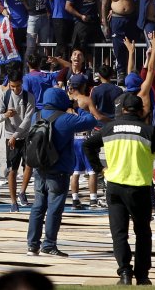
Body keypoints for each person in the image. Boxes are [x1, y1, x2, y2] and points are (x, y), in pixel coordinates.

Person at [83, 92, 155, 286]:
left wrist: (100, 169)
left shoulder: (109, 128)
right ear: (141, 111)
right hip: (139, 187)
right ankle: (142, 276)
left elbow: (88, 145)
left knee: (119, 233)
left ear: (122, 109)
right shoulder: (149, 130)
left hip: (114, 186)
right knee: (142, 233)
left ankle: (124, 273)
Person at [26, 87, 100, 257]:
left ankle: (32, 245)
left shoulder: (35, 116)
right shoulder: (66, 119)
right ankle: (49, 244)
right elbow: (91, 121)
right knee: (54, 208)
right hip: (59, 169)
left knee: (38, 206)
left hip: (39, 167)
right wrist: (78, 107)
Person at [0, 68, 35, 212]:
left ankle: (22, 192)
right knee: (12, 169)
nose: (16, 89)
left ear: (22, 83)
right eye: (12, 86)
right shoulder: (4, 97)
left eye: (18, 86)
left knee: (29, 164)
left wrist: (14, 136)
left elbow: (27, 121)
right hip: (9, 135)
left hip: (24, 134)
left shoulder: (29, 97)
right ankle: (13, 202)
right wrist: (6, 115)